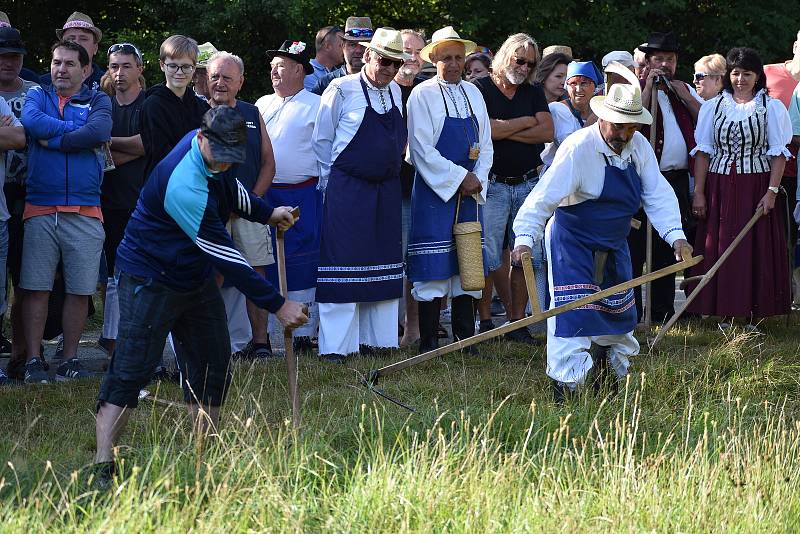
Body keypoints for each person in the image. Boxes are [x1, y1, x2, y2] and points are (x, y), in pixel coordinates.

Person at [93, 106, 308, 483]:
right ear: (202, 139)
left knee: (212, 363)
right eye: (220, 158)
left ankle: (202, 458)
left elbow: (234, 192)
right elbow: (228, 257)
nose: (225, 165)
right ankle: (102, 465)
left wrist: (268, 213)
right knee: (133, 368)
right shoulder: (184, 183)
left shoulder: (218, 161)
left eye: (232, 160)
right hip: (149, 276)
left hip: (192, 277)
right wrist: (278, 305)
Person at [512, 82, 689, 401]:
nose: (623, 135)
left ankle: (609, 379)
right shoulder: (578, 147)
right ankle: (567, 389)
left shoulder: (639, 149)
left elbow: (657, 194)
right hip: (573, 241)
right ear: (603, 118)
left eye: (631, 127)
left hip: (614, 241)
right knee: (573, 315)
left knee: (618, 315)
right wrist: (525, 238)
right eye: (618, 126)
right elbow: (542, 197)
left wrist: (676, 237)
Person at [312, 28, 409, 362]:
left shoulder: (396, 91)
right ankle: (338, 348)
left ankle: (380, 342)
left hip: (386, 189)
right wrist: (333, 185)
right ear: (367, 55)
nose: (388, 70)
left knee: (383, 260)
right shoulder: (340, 89)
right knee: (344, 261)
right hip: (347, 188)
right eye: (384, 61)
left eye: (395, 65)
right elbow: (322, 141)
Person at [19, 40, 112, 384]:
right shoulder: (36, 95)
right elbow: (31, 123)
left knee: (79, 290)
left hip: (86, 210)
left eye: (70, 64)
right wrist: (77, 134)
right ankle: (32, 359)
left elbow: (100, 131)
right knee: (35, 287)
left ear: (86, 70)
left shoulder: (99, 99)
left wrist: (54, 137)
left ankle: (70, 359)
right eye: (57, 62)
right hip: (41, 206)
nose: (61, 69)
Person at [688, 47, 793, 323]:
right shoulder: (712, 107)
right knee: (719, 244)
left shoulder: (770, 107)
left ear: (757, 76)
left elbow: (778, 153)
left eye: (747, 73)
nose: (740, 79)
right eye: (735, 73)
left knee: (752, 247)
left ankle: (751, 312)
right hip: (719, 186)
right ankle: (723, 311)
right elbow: (703, 153)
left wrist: (771, 192)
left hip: (755, 185)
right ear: (728, 75)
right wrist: (699, 192)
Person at [406, 26, 493, 353]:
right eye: (447, 58)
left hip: (471, 192)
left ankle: (464, 337)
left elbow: (485, 143)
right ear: (434, 59)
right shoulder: (422, 94)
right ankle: (429, 340)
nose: (454, 64)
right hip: (435, 192)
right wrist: (459, 178)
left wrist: (478, 178)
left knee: (467, 264)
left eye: (459, 57)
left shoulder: (474, 93)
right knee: (433, 267)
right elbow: (421, 149)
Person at [472, 33, 552, 342]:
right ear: (505, 55)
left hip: (527, 182)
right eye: (519, 60)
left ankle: (517, 324)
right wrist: (524, 122)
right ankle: (486, 321)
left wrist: (502, 129)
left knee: (524, 253)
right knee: (486, 256)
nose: (524, 67)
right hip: (492, 184)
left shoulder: (533, 91)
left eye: (530, 63)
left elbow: (547, 131)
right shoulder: (479, 88)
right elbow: (483, 130)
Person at [207, 50, 278, 359]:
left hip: (250, 210)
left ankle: (260, 343)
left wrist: (252, 202)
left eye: (226, 78)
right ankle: (210, 345)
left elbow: (268, 163)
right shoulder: (197, 113)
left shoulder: (252, 113)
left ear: (240, 82)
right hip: (211, 211)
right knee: (211, 277)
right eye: (214, 77)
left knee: (256, 274)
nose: (219, 83)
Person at [257, 40, 323, 353]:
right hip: (266, 192)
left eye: (280, 67)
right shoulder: (261, 104)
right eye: (271, 68)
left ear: (298, 69)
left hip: (304, 194)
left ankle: (304, 333)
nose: (274, 72)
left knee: (303, 261)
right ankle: (269, 331)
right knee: (266, 259)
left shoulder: (317, 104)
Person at [630, 31, 701, 323]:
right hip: (641, 180)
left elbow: (704, 119)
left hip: (675, 180)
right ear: (647, 62)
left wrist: (683, 95)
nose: (665, 65)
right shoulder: (634, 89)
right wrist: (648, 88)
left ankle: (661, 311)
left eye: (670, 59)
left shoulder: (683, 88)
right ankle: (632, 311)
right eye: (659, 59)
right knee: (635, 247)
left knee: (665, 246)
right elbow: (635, 118)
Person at [98, 43, 148, 359]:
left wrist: (108, 142)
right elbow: (97, 155)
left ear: (140, 68)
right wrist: (130, 149)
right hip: (110, 202)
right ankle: (114, 346)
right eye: (114, 66)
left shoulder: (151, 103)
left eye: (126, 66)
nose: (119, 72)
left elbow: (149, 143)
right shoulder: (102, 106)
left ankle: (144, 346)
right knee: (115, 278)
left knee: (144, 276)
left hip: (145, 203)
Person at [0, 25, 38, 381]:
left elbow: (23, 136)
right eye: (2, 55)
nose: (8, 62)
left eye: (14, 55)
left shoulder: (35, 93)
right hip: (0, 192)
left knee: (25, 282)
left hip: (29, 193)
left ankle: (21, 357)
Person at [394, 29, 426, 348]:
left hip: (418, 188)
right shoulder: (382, 90)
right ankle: (384, 327)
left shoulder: (426, 92)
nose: (412, 58)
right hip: (386, 187)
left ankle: (412, 327)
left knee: (413, 262)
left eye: (418, 51)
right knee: (387, 258)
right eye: (406, 51)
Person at [141, 35, 210, 181]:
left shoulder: (202, 107)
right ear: (162, 65)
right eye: (173, 66)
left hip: (197, 183)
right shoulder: (152, 105)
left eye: (186, 66)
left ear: (194, 67)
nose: (179, 72)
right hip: (163, 186)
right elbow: (160, 153)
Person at [763, 31, 800, 303]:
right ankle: (772, 298)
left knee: (791, 241)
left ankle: (786, 298)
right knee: (774, 239)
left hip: (797, 176)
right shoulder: (767, 73)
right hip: (773, 173)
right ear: (796, 45)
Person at [540, 61, 602, 167]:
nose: (578, 89)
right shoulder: (557, 110)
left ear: (594, 87)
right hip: (562, 173)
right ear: (566, 86)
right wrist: (592, 120)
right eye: (573, 83)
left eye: (584, 83)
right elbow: (571, 149)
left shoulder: (602, 112)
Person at [41, 12, 105, 90]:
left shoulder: (108, 84)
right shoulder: (43, 84)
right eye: (70, 39)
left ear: (95, 48)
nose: (77, 43)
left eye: (83, 39)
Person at [310, 17, 373, 95]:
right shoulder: (326, 83)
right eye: (352, 45)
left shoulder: (381, 82)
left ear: (371, 49)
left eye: (363, 45)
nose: (358, 50)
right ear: (343, 46)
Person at [305, 26, 344, 91]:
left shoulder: (340, 73)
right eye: (341, 45)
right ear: (327, 46)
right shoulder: (307, 73)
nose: (345, 50)